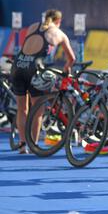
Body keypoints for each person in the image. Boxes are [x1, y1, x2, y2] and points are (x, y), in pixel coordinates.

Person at [10, 9, 76, 154]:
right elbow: (72, 59)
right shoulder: (60, 34)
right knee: (37, 110)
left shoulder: (33, 26)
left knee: (22, 109)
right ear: (58, 21)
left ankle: (22, 144)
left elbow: (26, 47)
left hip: (18, 66)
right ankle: (33, 144)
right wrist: (67, 69)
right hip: (34, 70)